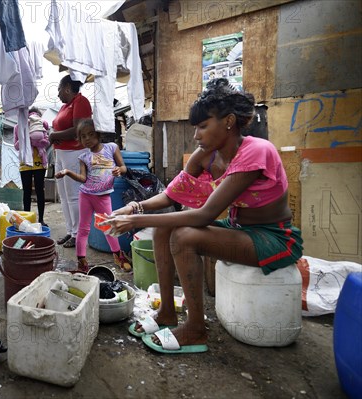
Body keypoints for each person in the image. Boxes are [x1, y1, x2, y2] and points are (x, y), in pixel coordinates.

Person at [102, 78, 303, 353]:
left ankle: (196, 328)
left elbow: (205, 215)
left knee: (184, 236)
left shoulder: (256, 151)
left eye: (203, 126)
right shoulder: (207, 155)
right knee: (163, 229)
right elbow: (172, 196)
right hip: (237, 229)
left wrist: (135, 222)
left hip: (273, 237)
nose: (196, 135)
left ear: (229, 121)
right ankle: (167, 314)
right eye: (195, 127)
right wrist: (134, 208)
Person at [55, 119, 132, 272]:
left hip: (103, 197)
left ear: (98, 134)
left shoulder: (111, 148)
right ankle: (82, 263)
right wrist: (68, 172)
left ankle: (119, 257)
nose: (87, 139)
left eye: (91, 134)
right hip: (86, 195)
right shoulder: (84, 157)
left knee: (108, 227)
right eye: (83, 136)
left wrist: (119, 170)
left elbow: (123, 167)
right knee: (83, 229)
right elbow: (83, 179)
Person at [49, 75, 92, 248]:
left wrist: (54, 136)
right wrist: (56, 136)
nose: (58, 94)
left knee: (74, 196)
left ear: (67, 87)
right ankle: (70, 231)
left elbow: (78, 130)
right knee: (64, 197)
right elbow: (61, 128)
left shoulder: (81, 102)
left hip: (75, 153)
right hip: (62, 153)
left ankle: (78, 234)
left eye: (59, 89)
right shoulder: (65, 106)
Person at [14, 107, 50, 226]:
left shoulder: (43, 125)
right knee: (27, 191)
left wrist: (38, 140)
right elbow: (16, 146)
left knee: (40, 191)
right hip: (25, 163)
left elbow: (47, 142)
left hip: (39, 162)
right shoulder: (18, 127)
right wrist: (26, 137)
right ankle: (26, 219)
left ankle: (41, 219)